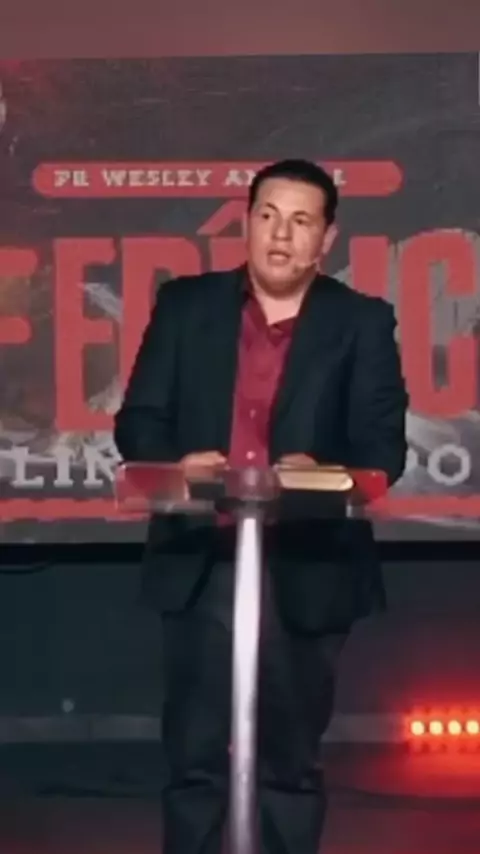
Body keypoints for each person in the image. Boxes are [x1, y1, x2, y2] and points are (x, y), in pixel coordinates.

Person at [114, 158, 408, 854]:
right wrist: (180, 465)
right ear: (245, 224)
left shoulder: (361, 321)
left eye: (301, 221)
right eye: (268, 216)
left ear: (326, 239)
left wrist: (322, 473)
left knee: (289, 763)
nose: (280, 235)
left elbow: (382, 448)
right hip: (203, 558)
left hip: (305, 566)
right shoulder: (185, 305)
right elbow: (139, 423)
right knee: (194, 758)